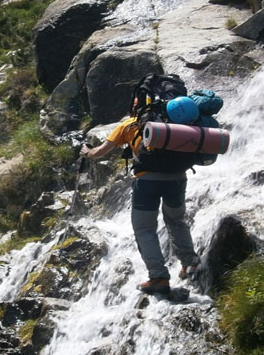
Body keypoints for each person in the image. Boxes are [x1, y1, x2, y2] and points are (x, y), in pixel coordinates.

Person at [79, 106, 201, 295]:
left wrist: (87, 152)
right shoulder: (179, 123)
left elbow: (99, 152)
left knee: (145, 229)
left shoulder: (130, 124)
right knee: (176, 221)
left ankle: (158, 277)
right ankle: (190, 264)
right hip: (177, 179)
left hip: (147, 182)